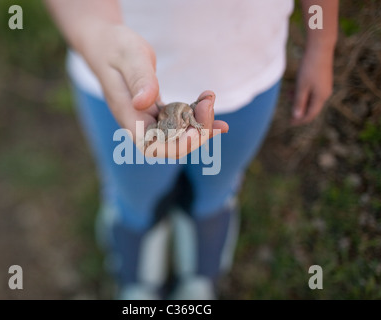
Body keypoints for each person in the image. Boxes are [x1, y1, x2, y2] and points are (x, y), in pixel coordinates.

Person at [44, 0, 338, 299]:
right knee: (135, 199)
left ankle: (199, 280)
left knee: (215, 191)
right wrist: (102, 41)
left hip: (247, 73)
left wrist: (322, 44)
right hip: (117, 76)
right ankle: (136, 282)